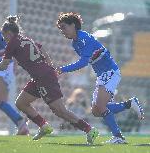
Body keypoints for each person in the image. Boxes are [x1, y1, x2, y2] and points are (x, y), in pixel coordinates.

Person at [0, 15, 99, 144]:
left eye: (3, 34)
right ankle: (44, 126)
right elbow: (41, 47)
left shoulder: (12, 43)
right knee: (21, 103)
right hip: (40, 77)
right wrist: (49, 64)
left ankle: (89, 129)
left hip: (43, 78)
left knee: (60, 111)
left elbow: (4, 64)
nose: (3, 38)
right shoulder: (25, 39)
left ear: (9, 33)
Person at [55, 12, 144, 144]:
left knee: (101, 106)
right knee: (96, 111)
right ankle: (129, 104)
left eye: (64, 27)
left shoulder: (84, 38)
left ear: (73, 25)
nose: (62, 31)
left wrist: (62, 69)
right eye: (60, 28)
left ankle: (118, 136)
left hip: (110, 72)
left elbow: (84, 62)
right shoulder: (75, 43)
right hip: (102, 75)